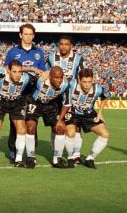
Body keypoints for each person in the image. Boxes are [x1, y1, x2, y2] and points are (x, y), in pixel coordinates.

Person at [4, 23, 46, 162]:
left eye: (30, 34)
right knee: (15, 122)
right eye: (25, 34)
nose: (28, 36)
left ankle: (30, 151)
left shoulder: (39, 52)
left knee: (32, 121)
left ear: (33, 36)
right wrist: (31, 69)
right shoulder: (12, 52)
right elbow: (7, 69)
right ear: (20, 35)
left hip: (33, 93)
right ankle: (13, 150)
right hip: (17, 92)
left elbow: (42, 72)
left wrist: (33, 71)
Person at [59, 69, 110, 169]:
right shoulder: (71, 84)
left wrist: (100, 113)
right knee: (70, 133)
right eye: (84, 82)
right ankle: (70, 158)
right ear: (79, 80)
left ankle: (90, 158)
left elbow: (105, 96)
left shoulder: (98, 89)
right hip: (72, 112)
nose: (87, 85)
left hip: (88, 114)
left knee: (105, 134)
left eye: (90, 82)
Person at [47, 35, 86, 164]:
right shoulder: (52, 58)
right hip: (55, 97)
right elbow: (46, 75)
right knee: (56, 126)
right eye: (61, 44)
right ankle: (55, 151)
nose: (63, 46)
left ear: (71, 46)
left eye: (66, 44)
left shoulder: (78, 59)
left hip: (72, 97)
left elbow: (83, 77)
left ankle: (76, 154)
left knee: (76, 126)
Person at [0, 60, 33, 167]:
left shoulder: (27, 77)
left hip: (16, 103)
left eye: (20, 71)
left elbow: (40, 78)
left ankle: (18, 159)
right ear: (8, 70)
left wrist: (37, 70)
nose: (18, 75)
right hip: (0, 102)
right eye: (14, 71)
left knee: (22, 129)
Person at [25, 67, 69, 168]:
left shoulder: (65, 85)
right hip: (34, 103)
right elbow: (24, 76)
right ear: (50, 77)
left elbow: (66, 104)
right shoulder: (39, 80)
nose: (59, 80)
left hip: (50, 105)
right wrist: (33, 69)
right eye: (56, 78)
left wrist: (60, 120)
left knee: (60, 128)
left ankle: (57, 159)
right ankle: (30, 157)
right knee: (31, 127)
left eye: (61, 77)